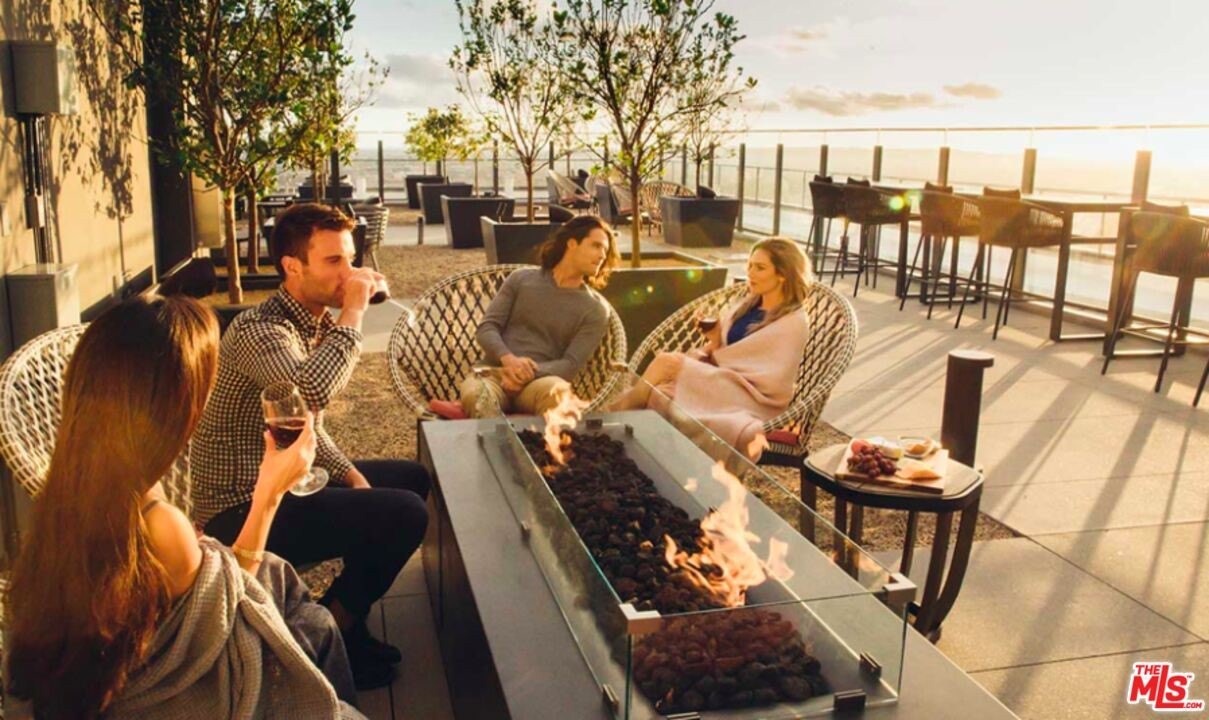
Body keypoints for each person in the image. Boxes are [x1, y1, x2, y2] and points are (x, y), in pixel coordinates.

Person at [3, 295, 362, 720]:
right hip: (173, 700)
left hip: (93, 691)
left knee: (307, 611)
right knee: (315, 625)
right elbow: (222, 614)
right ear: (173, 405)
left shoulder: (73, 492)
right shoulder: (156, 523)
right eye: (206, 384)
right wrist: (269, 493)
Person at [191, 202, 430, 690]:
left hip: (283, 480)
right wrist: (354, 311)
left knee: (411, 479)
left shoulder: (310, 321)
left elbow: (304, 426)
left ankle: (340, 618)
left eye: (351, 259)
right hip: (241, 508)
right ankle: (330, 638)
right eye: (334, 261)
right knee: (404, 514)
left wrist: (351, 476)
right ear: (292, 267)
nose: (350, 272)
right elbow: (311, 393)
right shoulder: (261, 331)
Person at [613, 238, 814, 458]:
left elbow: (774, 379)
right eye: (749, 265)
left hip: (752, 396)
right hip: (721, 380)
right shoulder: (749, 304)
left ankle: (617, 415)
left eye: (760, 268)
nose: (750, 273)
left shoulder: (793, 322)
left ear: (783, 274)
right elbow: (730, 352)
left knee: (667, 363)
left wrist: (717, 358)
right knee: (661, 392)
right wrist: (716, 340)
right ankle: (647, 455)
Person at [460, 215, 618, 417]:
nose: (602, 255)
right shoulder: (521, 279)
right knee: (478, 397)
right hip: (494, 373)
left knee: (558, 394)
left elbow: (570, 365)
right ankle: (497, 438)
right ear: (572, 243)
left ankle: (543, 440)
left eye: (605, 250)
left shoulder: (595, 309)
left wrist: (526, 373)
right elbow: (487, 328)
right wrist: (509, 361)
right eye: (596, 246)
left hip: (541, 381)